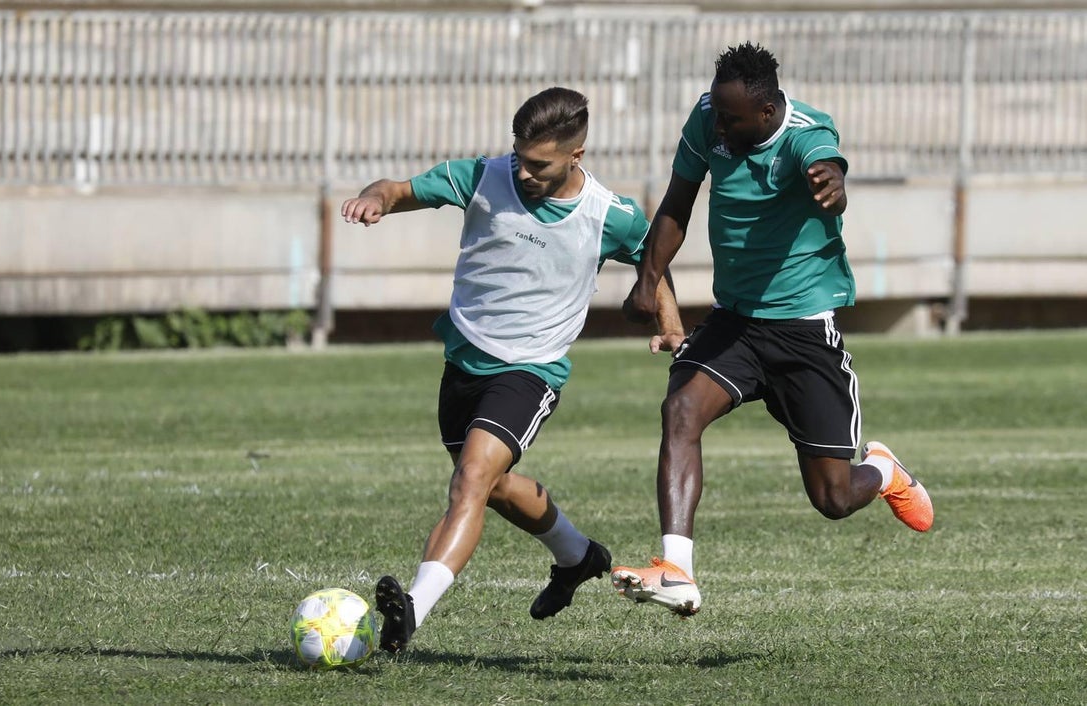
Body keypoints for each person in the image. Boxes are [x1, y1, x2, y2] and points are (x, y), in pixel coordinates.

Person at [340, 87, 684, 651]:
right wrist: (372, 199)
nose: (522, 171)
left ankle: (411, 612)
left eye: (539, 163)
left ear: (577, 155)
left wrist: (670, 324)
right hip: (463, 361)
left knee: (471, 479)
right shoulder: (483, 176)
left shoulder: (609, 214)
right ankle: (578, 556)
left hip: (530, 371)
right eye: (519, 156)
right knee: (493, 487)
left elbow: (655, 263)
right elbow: (397, 189)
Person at [610, 43, 934, 617]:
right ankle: (676, 568)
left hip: (803, 331)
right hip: (735, 322)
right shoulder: (708, 118)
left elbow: (828, 161)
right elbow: (677, 205)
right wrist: (649, 277)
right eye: (718, 112)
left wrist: (832, 182)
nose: (721, 126)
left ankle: (882, 470)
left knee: (833, 499)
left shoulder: (805, 132)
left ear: (766, 111)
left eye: (732, 119)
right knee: (680, 410)